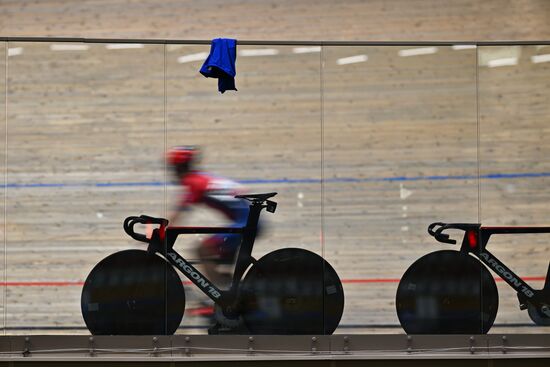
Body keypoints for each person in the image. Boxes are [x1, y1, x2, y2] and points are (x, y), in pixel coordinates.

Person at [165, 145, 252, 288]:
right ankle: (227, 289)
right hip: (246, 221)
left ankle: (219, 293)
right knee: (219, 263)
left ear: (177, 168)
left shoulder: (193, 182)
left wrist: (163, 230)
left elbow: (181, 211)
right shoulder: (200, 177)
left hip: (245, 223)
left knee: (202, 250)